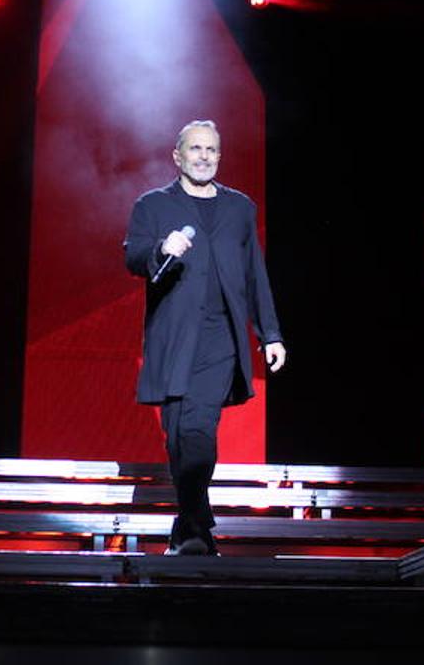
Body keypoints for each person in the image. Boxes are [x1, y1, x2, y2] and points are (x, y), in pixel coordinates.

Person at [123, 120, 285, 555]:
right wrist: (162, 247)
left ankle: (193, 530)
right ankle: (192, 524)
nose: (203, 156)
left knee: (198, 427)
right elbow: (133, 254)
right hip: (173, 339)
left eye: (211, 149)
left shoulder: (240, 209)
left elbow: (255, 274)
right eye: (195, 149)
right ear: (177, 156)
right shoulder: (153, 205)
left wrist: (270, 333)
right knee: (176, 436)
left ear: (219, 155)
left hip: (220, 339)